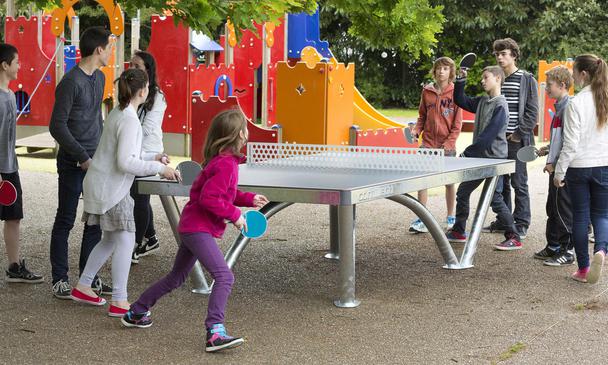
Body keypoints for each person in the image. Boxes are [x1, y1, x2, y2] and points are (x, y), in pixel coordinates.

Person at [122, 109, 269, 353]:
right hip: (197, 229)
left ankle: (137, 311)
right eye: (246, 125)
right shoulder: (225, 165)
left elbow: (225, 194)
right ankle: (215, 331)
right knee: (224, 276)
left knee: (176, 277)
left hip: (192, 227)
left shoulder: (223, 161)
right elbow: (210, 199)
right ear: (240, 134)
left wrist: (249, 199)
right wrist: (236, 216)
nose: (248, 129)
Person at [70, 68, 180, 316]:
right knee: (126, 239)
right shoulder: (129, 119)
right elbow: (125, 163)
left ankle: (84, 285)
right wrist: (159, 169)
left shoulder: (119, 113)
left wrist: (154, 157)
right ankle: (119, 300)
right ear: (143, 91)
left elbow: (128, 155)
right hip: (111, 189)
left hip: (103, 185)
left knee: (110, 240)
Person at [49, 27, 113, 298]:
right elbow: (57, 126)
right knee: (66, 219)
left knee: (95, 221)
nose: (110, 51)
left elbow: (95, 119)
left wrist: (100, 154)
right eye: (109, 47)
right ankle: (59, 279)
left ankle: (88, 278)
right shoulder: (70, 82)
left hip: (94, 163)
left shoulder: (99, 79)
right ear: (99, 49)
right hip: (72, 163)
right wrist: (82, 157)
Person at [447, 65, 523, 251]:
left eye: (485, 77)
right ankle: (458, 231)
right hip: (479, 160)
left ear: (497, 79)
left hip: (494, 161)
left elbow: (488, 136)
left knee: (495, 198)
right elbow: (460, 100)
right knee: (463, 192)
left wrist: (467, 153)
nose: (482, 81)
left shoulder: (501, 105)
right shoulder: (482, 101)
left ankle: (514, 236)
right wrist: (461, 79)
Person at [554, 54, 608, 284]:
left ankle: (584, 269)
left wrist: (559, 172)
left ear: (583, 74)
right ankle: (602, 251)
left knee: (580, 217)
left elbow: (571, 143)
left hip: (578, 168)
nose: (573, 75)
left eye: (574, 72)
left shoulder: (575, 103)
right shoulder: (605, 99)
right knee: (603, 215)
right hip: (603, 165)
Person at [484, 38, 538, 239]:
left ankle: (522, 223)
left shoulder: (526, 78)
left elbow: (532, 112)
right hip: (498, 141)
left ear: (514, 55)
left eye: (504, 53)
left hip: (517, 140)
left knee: (519, 182)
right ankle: (504, 221)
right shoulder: (497, 79)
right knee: (501, 182)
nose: (499, 57)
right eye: (497, 54)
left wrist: (517, 135)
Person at [0, 43, 43, 283]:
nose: (20, 66)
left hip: (10, 167)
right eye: (16, 62)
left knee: (14, 216)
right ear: (5, 65)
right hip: (1, 169)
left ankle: (14, 266)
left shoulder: (9, 95)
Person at [409, 57, 462, 233]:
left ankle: (450, 217)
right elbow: (421, 116)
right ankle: (422, 218)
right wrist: (416, 131)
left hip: (446, 147)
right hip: (427, 145)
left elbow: (457, 124)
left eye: (445, 69)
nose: (441, 72)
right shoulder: (427, 91)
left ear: (451, 72)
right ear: (434, 71)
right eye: (439, 68)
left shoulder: (456, 93)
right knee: (423, 181)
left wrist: (449, 143)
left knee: (448, 182)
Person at [128, 51, 167, 264]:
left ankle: (134, 245)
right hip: (134, 151)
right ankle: (150, 237)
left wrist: (126, 135)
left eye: (137, 65)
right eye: (131, 64)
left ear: (148, 70)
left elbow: (148, 127)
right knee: (137, 196)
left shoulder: (157, 97)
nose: (132, 68)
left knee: (139, 198)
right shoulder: (129, 92)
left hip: (149, 152)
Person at [533, 66, 574, 266]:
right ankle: (554, 246)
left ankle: (568, 252)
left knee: (563, 211)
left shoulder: (568, 108)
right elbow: (560, 138)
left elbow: (571, 143)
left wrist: (555, 165)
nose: (546, 88)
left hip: (563, 171)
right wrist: (547, 149)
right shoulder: (559, 107)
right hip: (555, 168)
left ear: (562, 85)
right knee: (552, 208)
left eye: (549, 85)